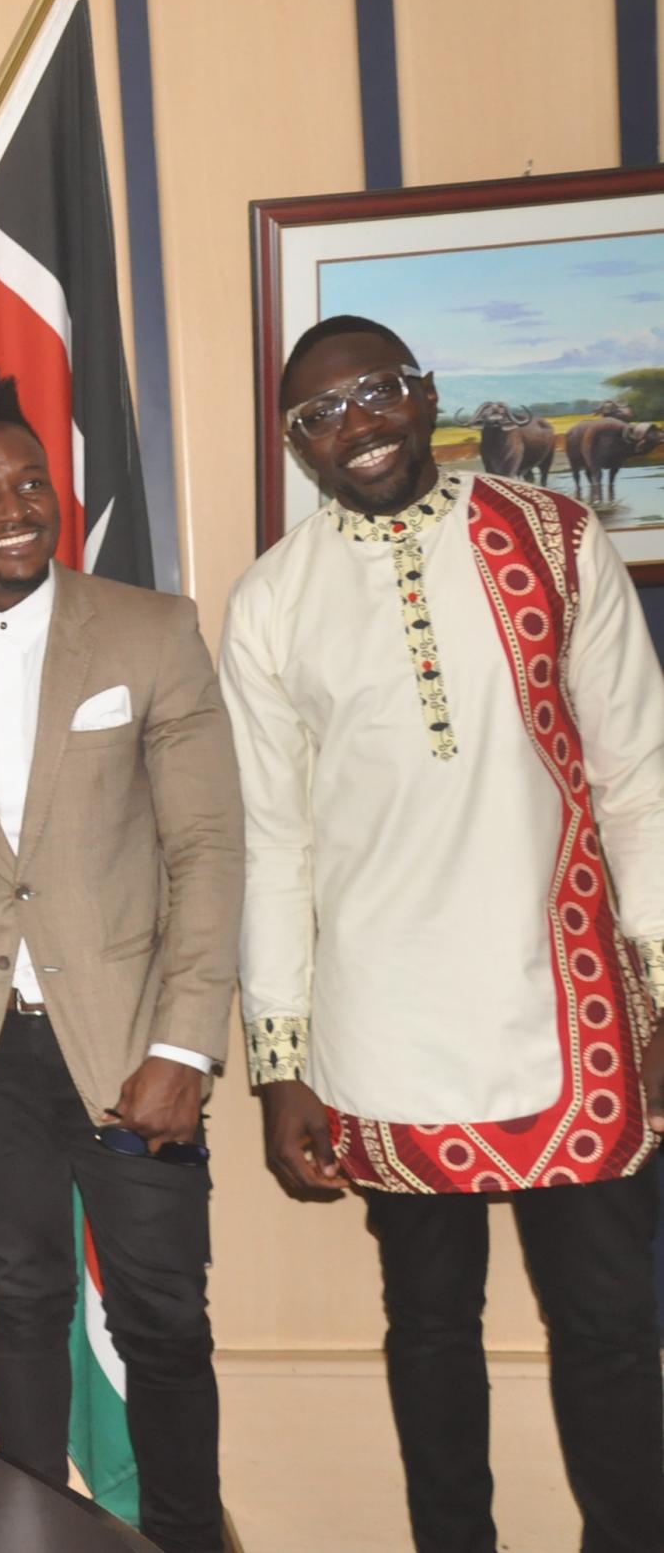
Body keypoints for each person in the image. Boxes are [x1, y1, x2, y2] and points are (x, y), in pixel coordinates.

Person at [225, 314, 664, 1553]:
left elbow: (639, 780)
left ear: (426, 393)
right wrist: (280, 1061)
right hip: (381, 1031)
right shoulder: (271, 603)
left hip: (569, 1009)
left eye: (373, 393)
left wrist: (663, 993)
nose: (354, 425)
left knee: (609, 1333)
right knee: (427, 1334)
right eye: (319, 415)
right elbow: (274, 842)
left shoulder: (558, 540)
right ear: (297, 445)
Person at [0, 372, 241, 1553]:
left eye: (31, 482)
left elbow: (208, 845)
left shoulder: (149, 627)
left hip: (133, 1047)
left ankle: (179, 1537)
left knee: (166, 1318)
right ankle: (30, 1537)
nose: (14, 508)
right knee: (19, 1307)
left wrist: (183, 1043)